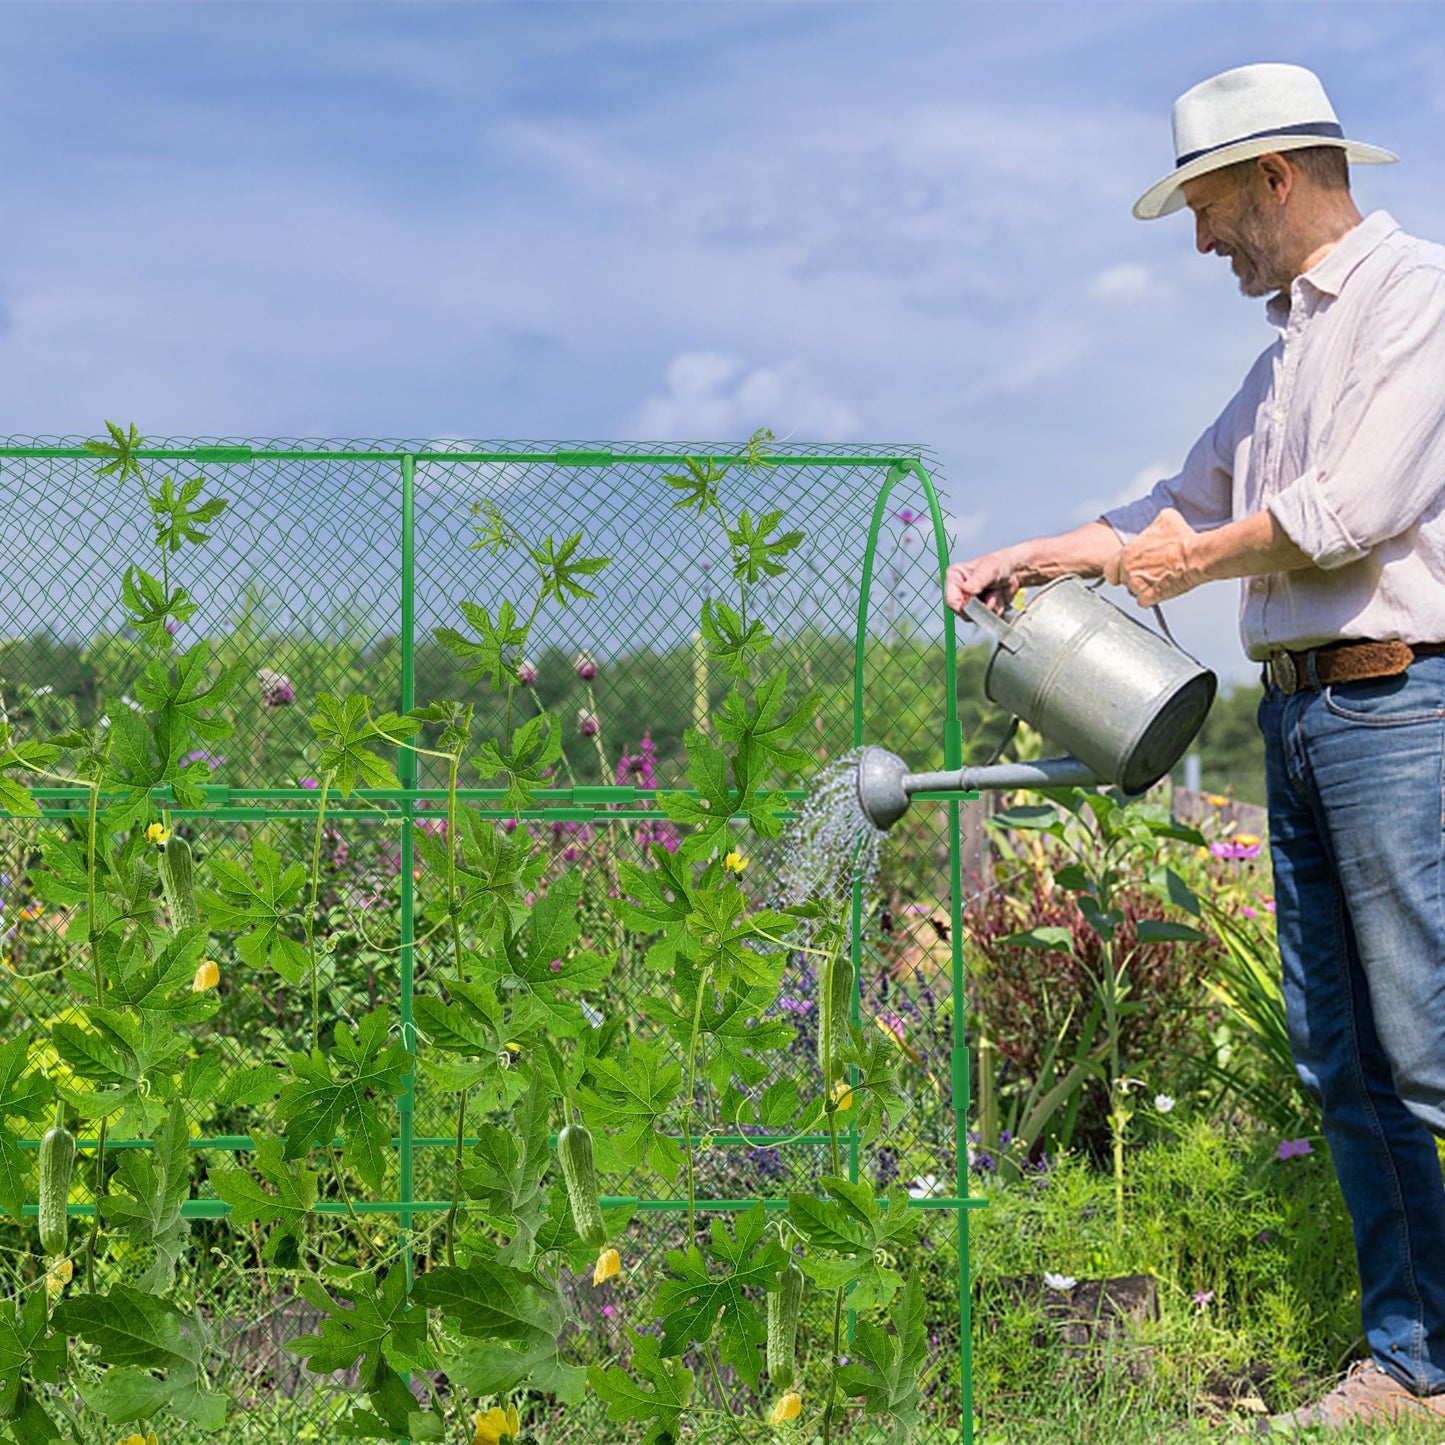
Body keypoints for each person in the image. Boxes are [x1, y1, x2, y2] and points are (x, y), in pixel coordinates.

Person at [945, 63, 1445, 1433]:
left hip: (1402, 712)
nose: (1202, 240)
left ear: (1275, 180)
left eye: (1209, 207)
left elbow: (1348, 509)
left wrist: (1191, 562)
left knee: (1427, 1041)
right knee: (1343, 1056)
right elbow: (1172, 506)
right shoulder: (1283, 355)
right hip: (1300, 714)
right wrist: (1039, 555)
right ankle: (1415, 1363)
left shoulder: (1417, 299)